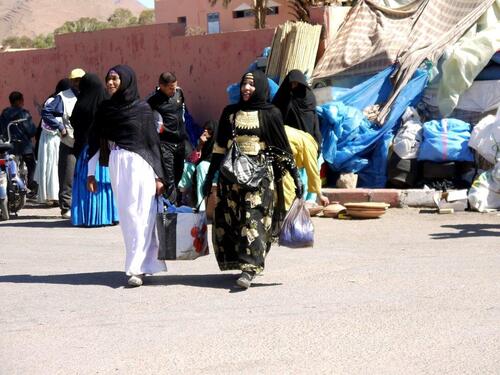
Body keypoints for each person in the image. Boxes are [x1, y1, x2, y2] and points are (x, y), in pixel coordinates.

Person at [202, 70, 303, 289]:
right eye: (244, 84)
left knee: (253, 219)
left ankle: (249, 269)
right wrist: (209, 177)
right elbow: (219, 148)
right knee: (234, 220)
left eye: (251, 84)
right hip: (231, 177)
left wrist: (296, 178)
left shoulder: (271, 114)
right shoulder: (230, 112)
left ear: (260, 87)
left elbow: (282, 149)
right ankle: (239, 261)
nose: (246, 88)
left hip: (259, 177)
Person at [87, 65, 167, 287]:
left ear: (127, 81)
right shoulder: (105, 109)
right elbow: (95, 140)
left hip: (140, 166)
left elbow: (152, 144)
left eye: (115, 79)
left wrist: (158, 176)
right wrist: (91, 173)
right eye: (109, 79)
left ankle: (136, 268)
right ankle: (144, 264)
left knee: (142, 214)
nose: (111, 83)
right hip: (117, 163)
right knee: (128, 216)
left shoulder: (142, 109)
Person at [70, 73, 118, 227]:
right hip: (105, 150)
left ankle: (86, 217)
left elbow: (74, 123)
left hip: (86, 148)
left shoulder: (81, 104)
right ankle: (110, 215)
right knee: (105, 181)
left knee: (88, 180)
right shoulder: (107, 101)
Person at [272, 69, 323, 203]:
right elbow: (275, 116)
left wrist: (316, 142)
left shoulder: (309, 97)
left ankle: (310, 200)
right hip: (289, 141)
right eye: (291, 83)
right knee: (290, 176)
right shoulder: (282, 98)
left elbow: (313, 120)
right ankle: (294, 202)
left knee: (309, 170)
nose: (294, 86)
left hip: (308, 139)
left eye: (297, 83)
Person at [42, 68, 85, 218]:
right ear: (71, 82)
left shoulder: (89, 94)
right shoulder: (63, 97)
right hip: (70, 140)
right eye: (75, 80)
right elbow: (46, 111)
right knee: (68, 175)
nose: (78, 83)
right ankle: (66, 207)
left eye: (81, 80)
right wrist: (60, 127)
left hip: (87, 141)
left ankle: (83, 206)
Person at [147, 72, 189, 201]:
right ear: (161, 86)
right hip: (165, 144)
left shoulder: (179, 93)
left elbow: (182, 112)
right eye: (170, 88)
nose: (173, 90)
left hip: (181, 143)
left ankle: (173, 204)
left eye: (175, 87)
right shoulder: (153, 100)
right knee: (169, 179)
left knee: (178, 175)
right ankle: (169, 211)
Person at [34, 79, 72, 205]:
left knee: (54, 167)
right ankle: (52, 196)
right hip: (52, 139)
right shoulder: (54, 101)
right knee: (52, 166)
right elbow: (48, 124)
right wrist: (62, 130)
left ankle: (54, 195)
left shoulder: (58, 100)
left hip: (51, 140)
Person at [282, 125, 329, 210]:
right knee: (287, 191)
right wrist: (320, 195)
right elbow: (313, 172)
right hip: (279, 148)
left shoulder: (301, 137)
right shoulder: (310, 146)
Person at [0, 91, 37, 195]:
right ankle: (31, 185)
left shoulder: (4, 113)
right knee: (32, 165)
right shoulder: (24, 113)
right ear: (19, 101)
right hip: (24, 147)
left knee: (6, 166)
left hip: (8, 146)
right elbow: (31, 130)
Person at [178, 120, 217, 210]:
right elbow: (193, 159)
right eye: (204, 129)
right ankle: (183, 196)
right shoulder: (203, 143)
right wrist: (200, 145)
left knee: (202, 166)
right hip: (202, 168)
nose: (205, 131)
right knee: (186, 166)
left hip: (215, 171)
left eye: (209, 129)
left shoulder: (218, 142)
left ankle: (201, 207)